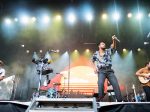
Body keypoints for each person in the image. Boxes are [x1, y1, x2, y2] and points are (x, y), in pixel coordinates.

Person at [92, 35, 122, 102]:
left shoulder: (108, 51)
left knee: (115, 84)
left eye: (104, 44)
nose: (104, 44)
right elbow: (94, 60)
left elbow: (113, 46)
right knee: (100, 83)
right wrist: (95, 67)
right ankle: (101, 100)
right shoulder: (95, 54)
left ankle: (120, 100)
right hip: (101, 71)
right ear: (99, 46)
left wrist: (113, 40)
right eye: (102, 44)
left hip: (109, 70)